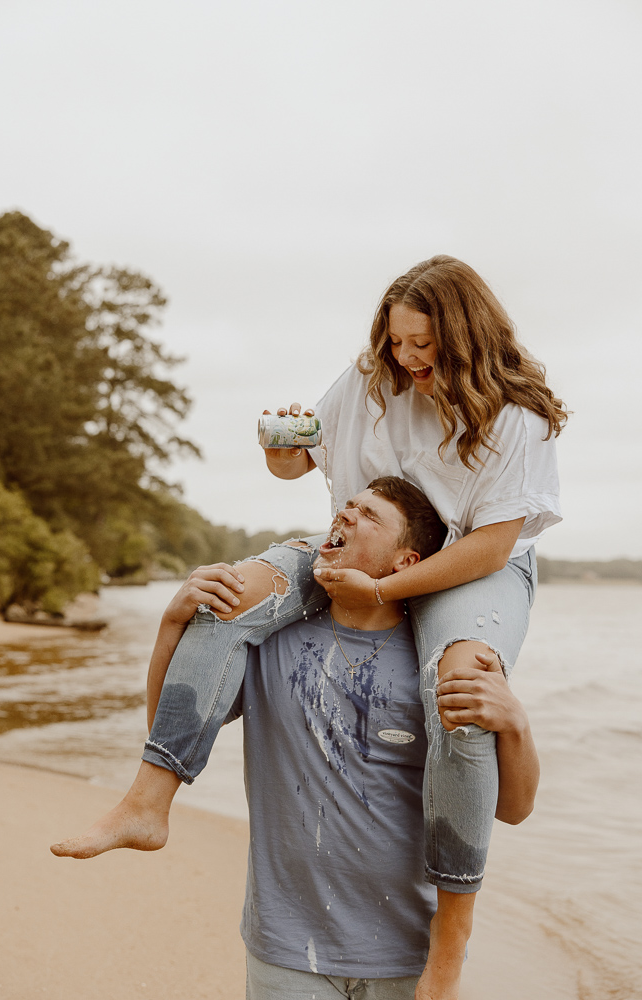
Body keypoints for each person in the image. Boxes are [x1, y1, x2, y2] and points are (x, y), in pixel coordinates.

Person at [52, 254, 564, 996]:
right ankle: (147, 799)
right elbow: (298, 467)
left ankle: (449, 941)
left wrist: (386, 584)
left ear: (466, 338)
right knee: (226, 596)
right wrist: (280, 454)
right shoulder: (368, 382)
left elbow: (488, 543)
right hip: (368, 553)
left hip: (473, 566)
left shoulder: (515, 416)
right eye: (397, 341)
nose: (407, 358)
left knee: (456, 686)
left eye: (424, 344)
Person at [53, 478, 540, 1000]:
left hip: (410, 956)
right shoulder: (268, 643)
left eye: (370, 516)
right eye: (348, 506)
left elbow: (511, 809)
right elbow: (168, 725)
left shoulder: (437, 668)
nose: (348, 515)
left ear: (406, 562)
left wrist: (516, 724)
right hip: (287, 950)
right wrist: (173, 622)